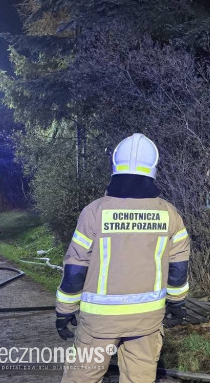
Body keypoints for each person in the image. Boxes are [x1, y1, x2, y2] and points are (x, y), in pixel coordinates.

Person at [56, 133, 191, 383]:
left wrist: (65, 310)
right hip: (147, 321)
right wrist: (177, 303)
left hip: (99, 322)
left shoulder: (94, 212)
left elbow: (75, 269)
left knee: (81, 378)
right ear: (153, 169)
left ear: (115, 165)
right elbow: (178, 268)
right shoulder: (170, 214)